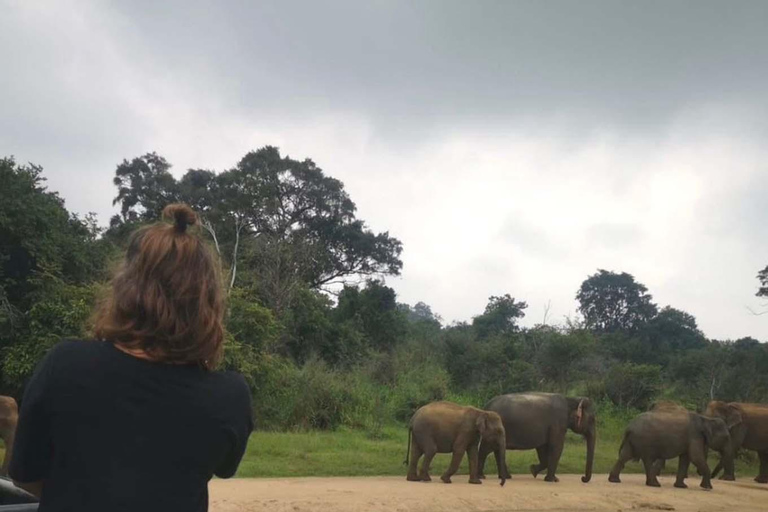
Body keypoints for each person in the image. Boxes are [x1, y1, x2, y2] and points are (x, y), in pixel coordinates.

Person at [9, 204, 253, 512]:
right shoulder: (229, 396)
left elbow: (25, 476)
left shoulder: (65, 365)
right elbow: (224, 467)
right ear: (207, 302)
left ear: (126, 289)